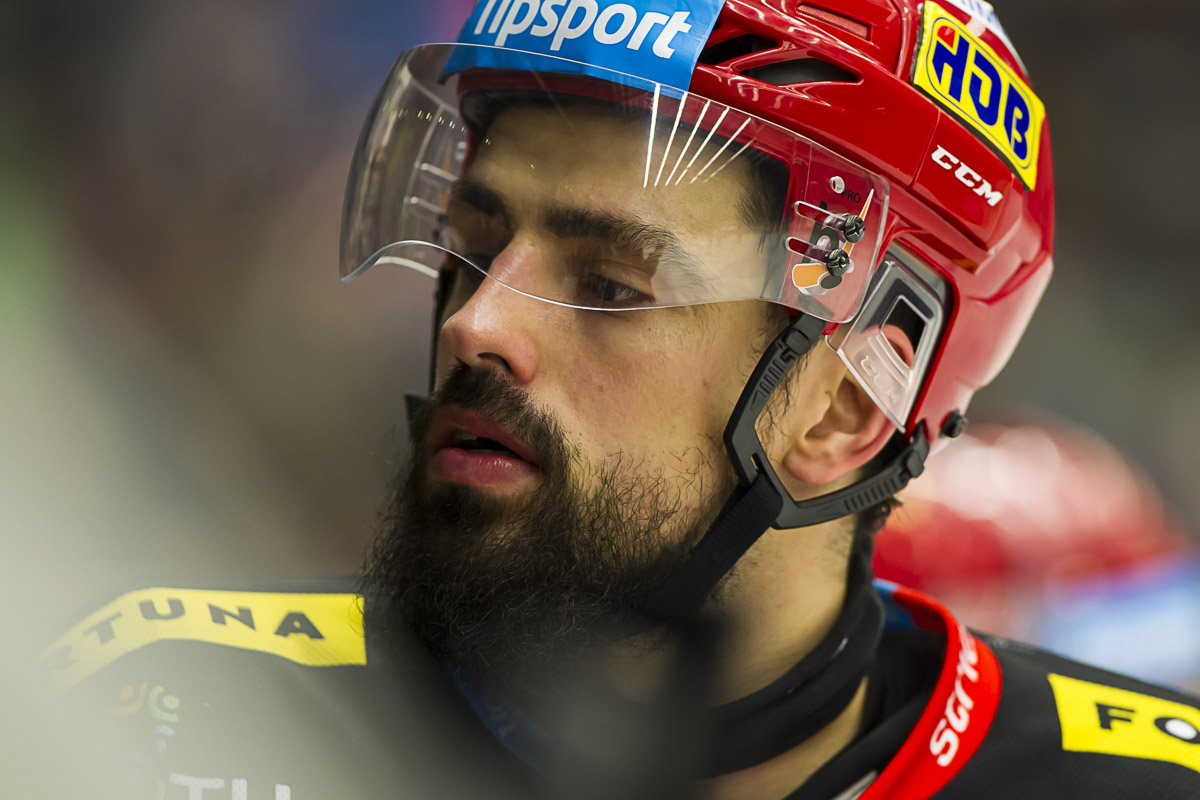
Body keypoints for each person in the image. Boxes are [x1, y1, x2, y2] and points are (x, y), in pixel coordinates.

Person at [35, 0, 1200, 797]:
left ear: (846, 406)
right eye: (476, 240)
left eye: (608, 284)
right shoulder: (156, 709)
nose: (476, 323)